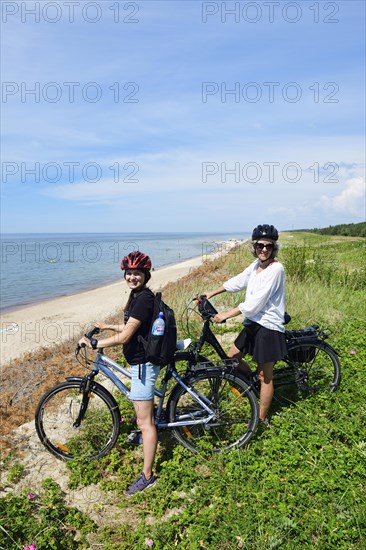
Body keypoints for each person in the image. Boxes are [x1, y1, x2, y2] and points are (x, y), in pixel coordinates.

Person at [79, 251, 159, 496]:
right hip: (140, 364)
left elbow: (125, 337)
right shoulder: (137, 296)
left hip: (144, 365)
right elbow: (131, 327)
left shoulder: (143, 299)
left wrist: (95, 345)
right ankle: (146, 435)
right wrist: (107, 326)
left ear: (145, 275)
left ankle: (147, 476)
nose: (132, 277)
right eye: (129, 273)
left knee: (146, 423)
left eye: (137, 273)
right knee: (141, 410)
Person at [201, 224, 287, 425]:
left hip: (268, 325)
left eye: (268, 246)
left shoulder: (276, 269)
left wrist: (227, 315)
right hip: (253, 323)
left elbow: (256, 303)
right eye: (260, 245)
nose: (264, 249)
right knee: (232, 358)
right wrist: (211, 293)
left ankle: (261, 418)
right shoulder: (256, 265)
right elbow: (238, 281)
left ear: (274, 247)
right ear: (254, 246)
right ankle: (251, 385)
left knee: (265, 375)